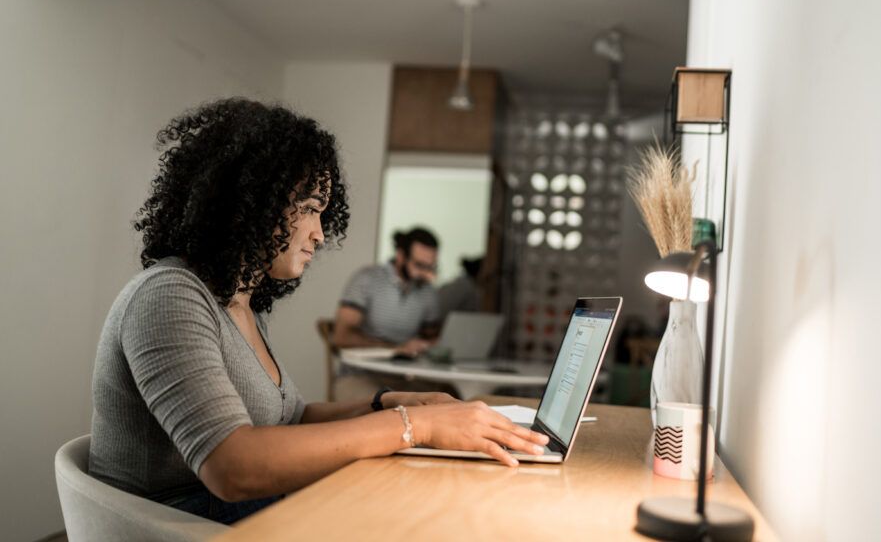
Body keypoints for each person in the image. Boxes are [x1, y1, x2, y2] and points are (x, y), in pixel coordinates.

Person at [88, 99, 548, 525]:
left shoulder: (240, 303)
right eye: (309, 209)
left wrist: (389, 403)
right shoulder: (168, 295)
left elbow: (292, 419)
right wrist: (416, 426)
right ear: (250, 201)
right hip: (179, 526)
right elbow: (232, 468)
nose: (320, 234)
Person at [333, 227, 442, 358]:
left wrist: (428, 345)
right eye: (419, 265)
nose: (427, 274)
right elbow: (342, 337)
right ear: (401, 256)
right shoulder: (366, 279)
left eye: (431, 267)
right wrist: (395, 349)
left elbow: (432, 339)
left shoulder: (428, 291)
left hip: (408, 372)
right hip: (362, 371)